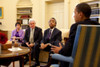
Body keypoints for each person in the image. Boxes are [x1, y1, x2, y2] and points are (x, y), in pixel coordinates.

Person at [51, 3, 99, 67]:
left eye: (75, 13)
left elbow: (67, 51)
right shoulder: (97, 26)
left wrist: (60, 50)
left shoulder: (76, 26)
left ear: (80, 14)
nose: (74, 16)